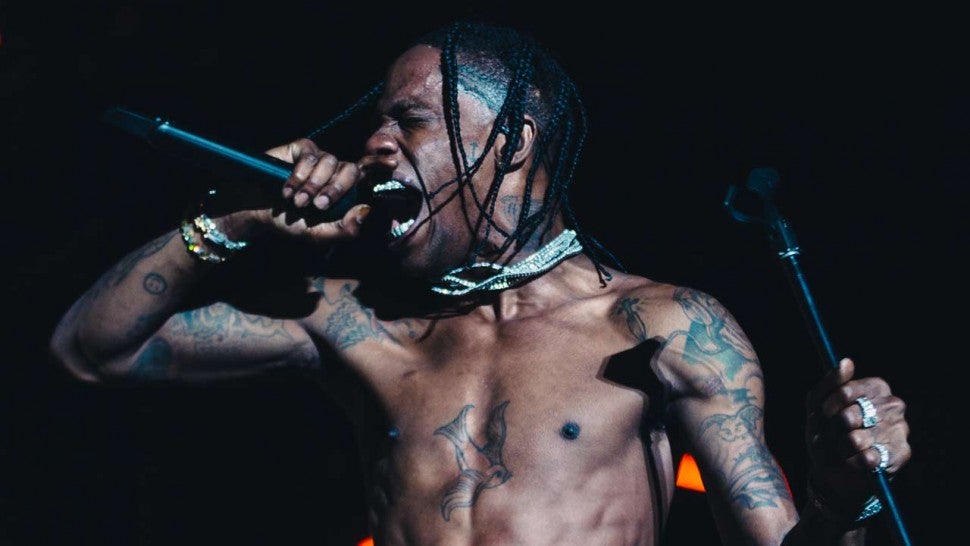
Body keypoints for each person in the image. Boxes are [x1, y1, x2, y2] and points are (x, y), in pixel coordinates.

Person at [50, 19, 911, 546]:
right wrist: (232, 221)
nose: (375, 145)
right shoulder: (361, 323)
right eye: (376, 122)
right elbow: (89, 351)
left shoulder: (662, 323)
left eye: (410, 120)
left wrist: (841, 501)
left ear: (512, 142)